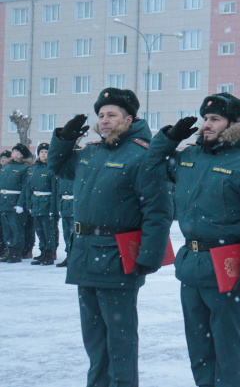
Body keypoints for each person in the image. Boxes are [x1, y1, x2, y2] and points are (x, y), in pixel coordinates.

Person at [145, 92, 240, 387]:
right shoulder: (189, 157)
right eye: (205, 118)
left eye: (215, 119)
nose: (207, 124)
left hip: (226, 266)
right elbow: (150, 166)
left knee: (226, 347)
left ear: (233, 124)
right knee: (199, 347)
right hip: (191, 265)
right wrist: (168, 138)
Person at [48, 87, 172, 387]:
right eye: (101, 115)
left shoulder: (143, 154)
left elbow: (158, 212)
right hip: (85, 255)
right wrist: (64, 139)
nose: (104, 120)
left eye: (111, 115)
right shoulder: (92, 151)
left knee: (120, 342)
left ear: (129, 119)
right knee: (94, 341)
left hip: (118, 258)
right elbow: (58, 167)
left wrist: (149, 257)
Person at [21, 143, 59, 266]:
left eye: (46, 152)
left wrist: (53, 209)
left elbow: (55, 191)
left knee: (49, 231)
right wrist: (29, 204)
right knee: (39, 231)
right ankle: (43, 252)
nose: (43, 154)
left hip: (47, 204)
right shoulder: (33, 169)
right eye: (41, 151)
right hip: (36, 204)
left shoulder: (52, 169)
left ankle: (49, 254)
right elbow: (28, 189)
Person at [0, 144, 32, 263]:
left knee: (16, 228)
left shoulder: (24, 168)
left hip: (14, 202)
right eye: (13, 151)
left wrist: (20, 203)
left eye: (17, 151)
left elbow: (25, 188)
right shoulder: (5, 167)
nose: (14, 152)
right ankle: (9, 250)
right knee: (7, 229)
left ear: (22, 154)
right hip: (4, 202)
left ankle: (16, 252)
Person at [55, 159, 77, 267]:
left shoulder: (78, 172)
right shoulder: (62, 174)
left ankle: (74, 257)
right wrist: (60, 205)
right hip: (65, 205)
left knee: (75, 234)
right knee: (66, 233)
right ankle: (68, 255)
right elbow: (59, 191)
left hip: (75, 204)